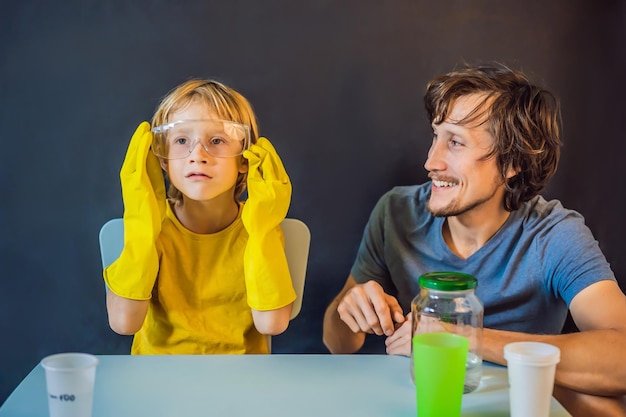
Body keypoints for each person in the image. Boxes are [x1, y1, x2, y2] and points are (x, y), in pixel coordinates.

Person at [322, 63, 626, 416]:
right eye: (436, 136)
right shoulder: (395, 212)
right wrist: (350, 310)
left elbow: (621, 356)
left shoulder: (554, 235)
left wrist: (463, 338)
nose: (430, 161)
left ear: (512, 161)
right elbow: (337, 343)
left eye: (455, 142)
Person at [103, 79, 296, 354]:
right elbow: (124, 323)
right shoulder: (152, 229)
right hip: (158, 380)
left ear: (245, 158)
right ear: (162, 158)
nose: (198, 155)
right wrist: (141, 226)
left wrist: (263, 230)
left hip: (240, 382)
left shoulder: (258, 228)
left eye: (217, 140)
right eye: (181, 140)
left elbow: (271, 323)